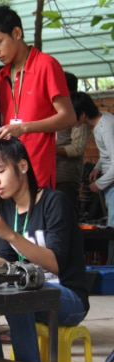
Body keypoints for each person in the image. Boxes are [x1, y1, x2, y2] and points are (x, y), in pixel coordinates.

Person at [0, 138, 89, 362]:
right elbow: (6, 263)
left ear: (23, 166)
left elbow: (55, 264)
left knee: (19, 293)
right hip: (30, 291)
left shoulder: (54, 202)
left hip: (67, 297)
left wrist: (9, 234)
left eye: (0, 171)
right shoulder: (7, 208)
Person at [0, 5, 77, 188]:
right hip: (7, 173)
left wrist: (24, 127)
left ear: (17, 33)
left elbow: (69, 117)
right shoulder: (1, 76)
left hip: (37, 170)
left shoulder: (46, 65)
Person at [71, 91, 114, 265]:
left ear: (82, 114)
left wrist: (99, 184)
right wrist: (97, 168)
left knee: (112, 229)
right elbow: (107, 156)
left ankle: (111, 269)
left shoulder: (105, 127)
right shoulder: (101, 121)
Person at [56, 73, 91, 209]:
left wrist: (51, 150)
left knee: (65, 216)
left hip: (66, 176)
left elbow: (77, 148)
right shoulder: (57, 109)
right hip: (51, 174)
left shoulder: (76, 110)